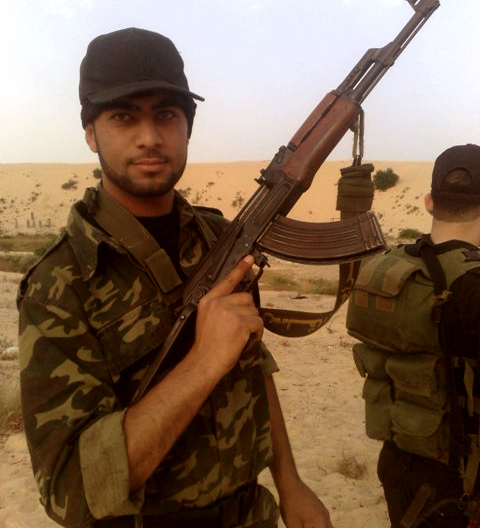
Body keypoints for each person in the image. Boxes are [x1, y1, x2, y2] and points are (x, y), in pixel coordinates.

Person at [17, 27, 333, 528]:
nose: (149, 137)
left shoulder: (222, 239)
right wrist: (203, 360)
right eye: (124, 117)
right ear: (91, 133)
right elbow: (71, 490)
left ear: (187, 127)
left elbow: (253, 367)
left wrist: (291, 485)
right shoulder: (60, 282)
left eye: (166, 114)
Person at [346, 143, 480, 528]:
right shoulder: (472, 287)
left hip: (399, 463)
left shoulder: (389, 270)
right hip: (461, 483)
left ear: (429, 202)